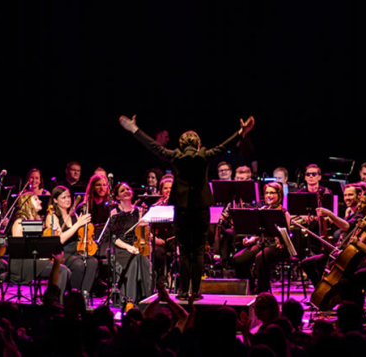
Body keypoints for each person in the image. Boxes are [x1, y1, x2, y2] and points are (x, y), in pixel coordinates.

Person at [119, 114, 255, 300]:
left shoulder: (175, 156)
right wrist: (241, 133)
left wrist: (135, 130)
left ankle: (183, 291)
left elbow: (154, 147)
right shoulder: (204, 155)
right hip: (201, 209)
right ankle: (196, 291)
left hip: (182, 209)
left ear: (182, 145)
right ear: (198, 144)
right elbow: (225, 146)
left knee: (184, 250)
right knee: (198, 250)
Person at [10, 192, 71, 302]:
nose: (40, 201)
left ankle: (51, 298)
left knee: (66, 270)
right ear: (28, 203)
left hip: (34, 261)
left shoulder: (38, 222)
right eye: (36, 199)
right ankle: (56, 302)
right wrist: (39, 257)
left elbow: (41, 244)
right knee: (62, 270)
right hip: (22, 264)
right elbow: (18, 250)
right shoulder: (19, 223)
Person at [233, 182, 292, 293]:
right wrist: (250, 240)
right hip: (262, 244)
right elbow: (258, 232)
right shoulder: (262, 210)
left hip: (278, 246)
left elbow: (286, 235)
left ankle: (262, 291)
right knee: (238, 259)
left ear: (279, 195)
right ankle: (250, 287)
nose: (269, 196)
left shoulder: (284, 212)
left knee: (261, 257)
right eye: (267, 193)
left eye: (272, 193)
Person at [45, 186, 97, 300]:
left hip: (76, 250)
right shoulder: (52, 216)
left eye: (69, 196)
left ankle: (84, 296)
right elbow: (60, 239)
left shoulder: (74, 215)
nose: (68, 199)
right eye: (63, 197)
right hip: (63, 253)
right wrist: (78, 224)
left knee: (93, 262)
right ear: (55, 200)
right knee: (78, 264)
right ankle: (73, 297)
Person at [107, 182, 152, 304]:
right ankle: (130, 300)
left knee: (144, 261)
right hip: (121, 247)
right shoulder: (114, 212)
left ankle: (146, 298)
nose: (126, 191)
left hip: (136, 245)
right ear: (117, 197)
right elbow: (114, 238)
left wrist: (145, 226)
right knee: (134, 259)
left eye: (128, 189)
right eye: (122, 190)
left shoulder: (139, 211)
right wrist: (129, 247)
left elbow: (142, 233)